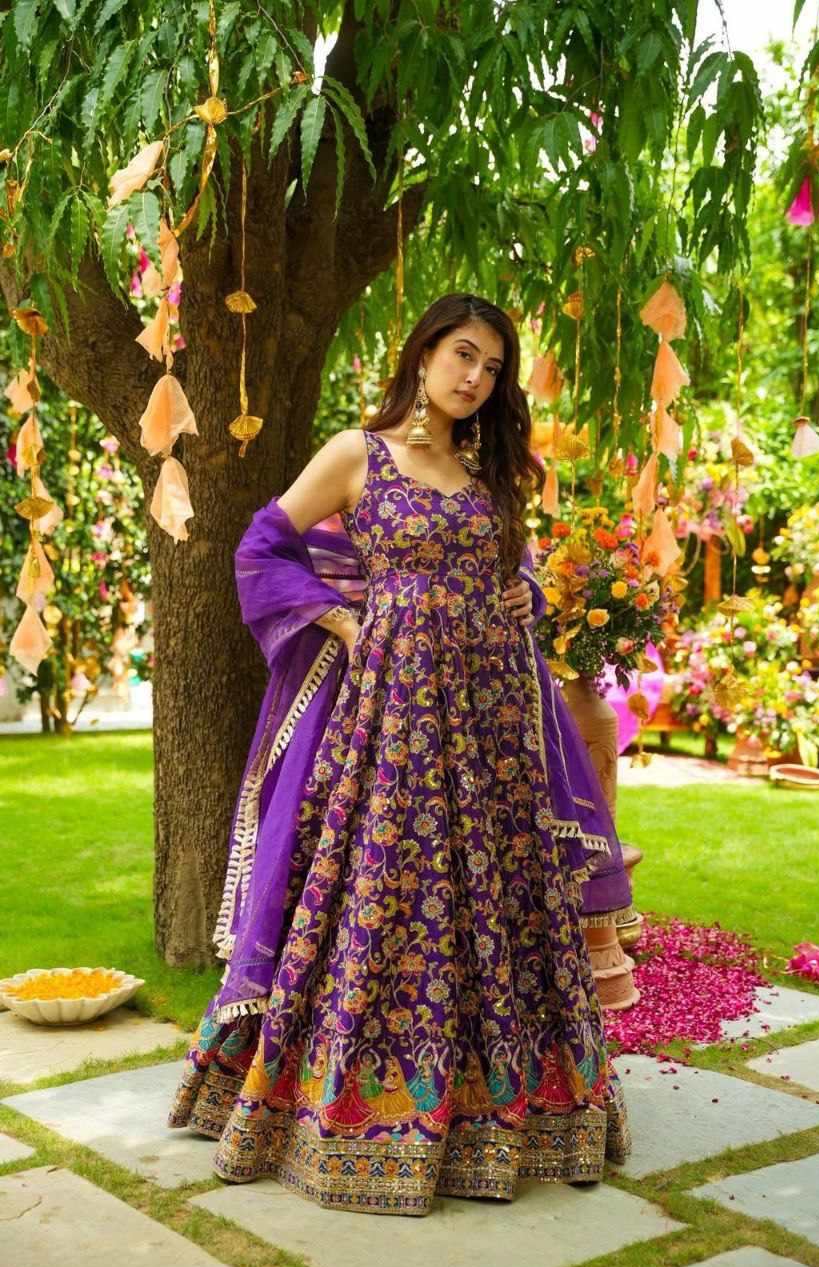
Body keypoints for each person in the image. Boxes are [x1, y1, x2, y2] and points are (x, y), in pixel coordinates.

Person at [168, 293, 631, 1216]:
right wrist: (339, 620)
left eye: (492, 368)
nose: (476, 378)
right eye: (463, 355)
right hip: (395, 718)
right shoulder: (359, 454)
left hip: (495, 720)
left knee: (500, 888)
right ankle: (353, 1111)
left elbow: (512, 571)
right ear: (422, 355)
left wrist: (526, 596)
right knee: (389, 885)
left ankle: (515, 1112)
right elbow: (262, 546)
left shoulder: (488, 468)